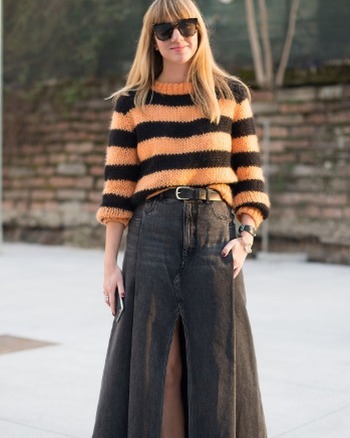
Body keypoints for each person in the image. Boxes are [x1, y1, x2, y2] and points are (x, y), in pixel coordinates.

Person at [93, 0, 269, 436]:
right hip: (152, 233)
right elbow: (117, 189)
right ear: (152, 39)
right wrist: (110, 265)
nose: (177, 37)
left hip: (215, 234)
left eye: (187, 26)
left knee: (216, 365)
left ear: (200, 30)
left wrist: (245, 237)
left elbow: (250, 178)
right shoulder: (133, 102)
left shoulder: (231, 94)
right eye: (165, 30)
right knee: (160, 366)